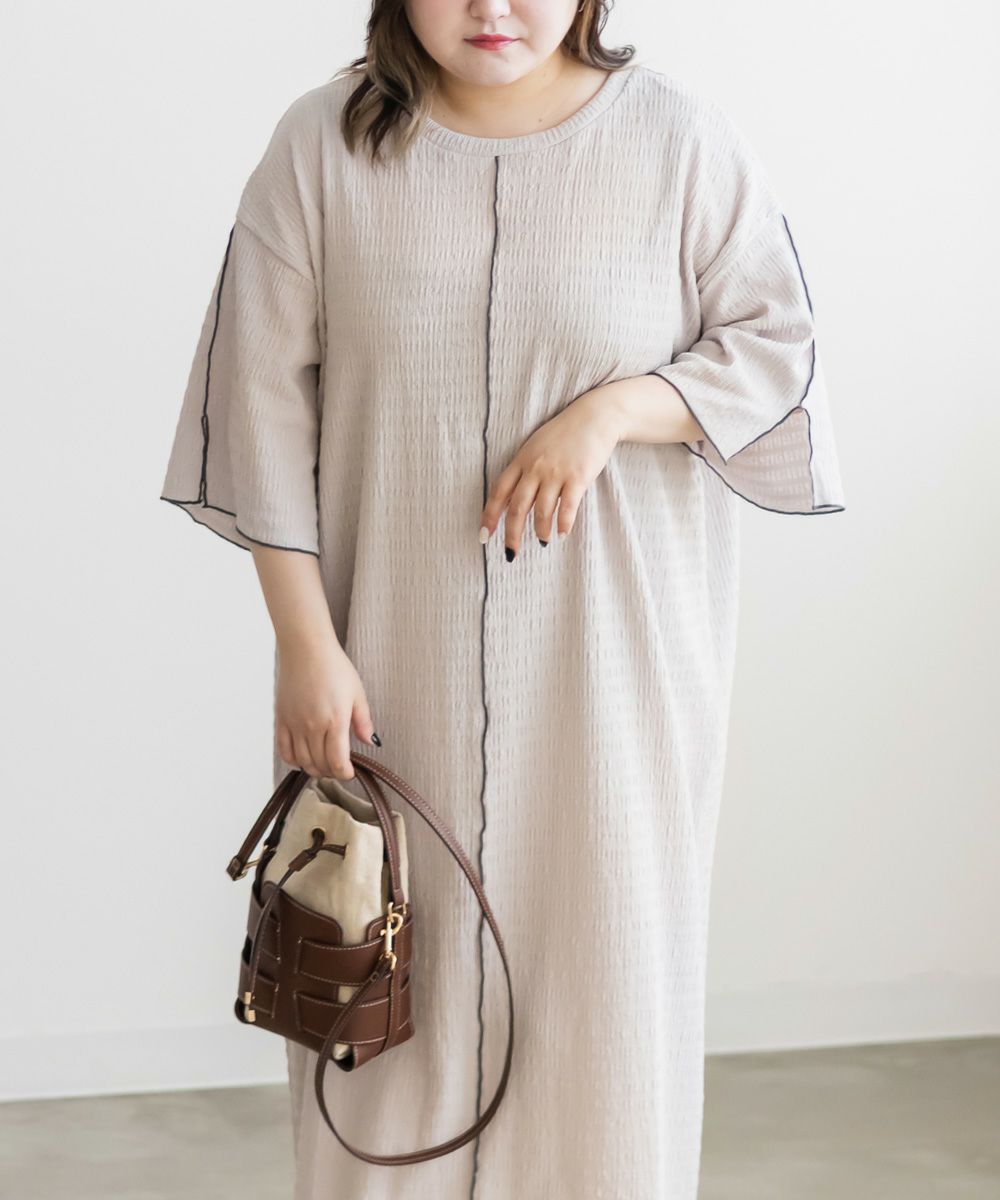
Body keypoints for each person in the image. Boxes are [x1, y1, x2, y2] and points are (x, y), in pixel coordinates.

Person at [159, 1, 846, 1197]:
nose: (490, 7)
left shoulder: (680, 144)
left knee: (605, 1008)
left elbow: (776, 346)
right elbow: (258, 402)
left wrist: (613, 412)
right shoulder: (320, 148)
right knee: (379, 1004)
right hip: (387, 664)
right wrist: (304, 644)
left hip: (611, 679)